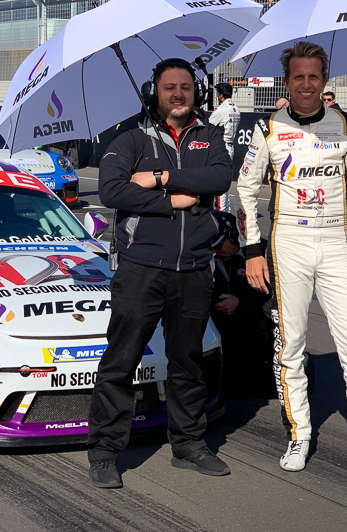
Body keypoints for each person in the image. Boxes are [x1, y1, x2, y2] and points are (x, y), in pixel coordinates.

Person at [236, 41, 347, 478]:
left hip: (335, 242)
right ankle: (299, 435)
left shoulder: (344, 124)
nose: (307, 84)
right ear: (287, 81)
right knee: (290, 345)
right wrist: (253, 250)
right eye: (299, 77)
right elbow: (246, 189)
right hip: (288, 242)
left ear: (325, 81)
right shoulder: (267, 129)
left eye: (314, 77)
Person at [87, 57, 233, 489]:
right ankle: (104, 451)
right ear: (155, 92)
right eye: (169, 87)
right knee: (121, 360)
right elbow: (114, 190)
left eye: (186, 87)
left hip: (194, 270)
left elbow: (219, 178)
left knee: (187, 363)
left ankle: (188, 445)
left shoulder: (210, 135)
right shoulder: (130, 138)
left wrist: (161, 177)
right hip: (141, 270)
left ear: (197, 93)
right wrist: (171, 202)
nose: (178, 94)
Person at [210, 211, 274, 400]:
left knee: (256, 389)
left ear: (234, 235)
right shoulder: (209, 256)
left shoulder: (263, 253)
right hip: (221, 334)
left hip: (256, 331)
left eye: (219, 245)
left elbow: (280, 301)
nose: (216, 251)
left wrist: (241, 305)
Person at [208, 83, 241, 212]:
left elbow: (209, 127)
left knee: (219, 181)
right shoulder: (236, 108)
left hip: (221, 147)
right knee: (225, 180)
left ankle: (222, 212)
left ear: (220, 95)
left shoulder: (221, 110)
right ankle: (224, 210)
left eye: (217, 93)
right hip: (230, 146)